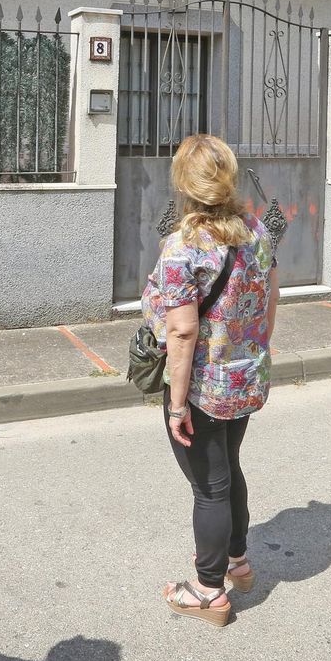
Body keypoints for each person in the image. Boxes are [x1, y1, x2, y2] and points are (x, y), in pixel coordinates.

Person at [143, 134, 280, 627]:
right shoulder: (257, 231)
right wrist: (251, 350)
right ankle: (238, 562)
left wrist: (177, 405)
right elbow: (270, 300)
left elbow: (181, 329)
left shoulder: (184, 247)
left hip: (202, 386)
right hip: (244, 377)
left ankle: (208, 591)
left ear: (185, 183)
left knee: (209, 487)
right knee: (228, 469)